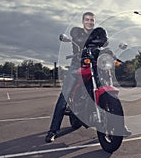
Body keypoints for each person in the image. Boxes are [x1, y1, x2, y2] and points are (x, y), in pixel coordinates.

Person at [45, 12, 130, 143]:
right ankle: (53, 130)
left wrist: (112, 55)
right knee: (64, 96)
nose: (89, 22)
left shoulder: (98, 32)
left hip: (95, 65)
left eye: (92, 20)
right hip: (77, 65)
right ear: (83, 21)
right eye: (87, 20)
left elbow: (104, 45)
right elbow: (78, 40)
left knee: (108, 85)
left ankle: (119, 125)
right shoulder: (76, 32)